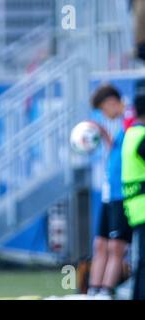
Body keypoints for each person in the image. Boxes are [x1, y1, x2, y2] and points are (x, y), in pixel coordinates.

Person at [87, 85, 133, 299]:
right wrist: (104, 133)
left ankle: (106, 291)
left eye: (103, 109)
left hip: (123, 193)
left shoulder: (131, 118)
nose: (104, 115)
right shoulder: (122, 127)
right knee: (100, 244)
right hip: (108, 193)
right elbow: (117, 151)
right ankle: (93, 289)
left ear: (111, 102)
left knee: (116, 246)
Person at [122, 89, 145, 300]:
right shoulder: (142, 137)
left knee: (142, 262)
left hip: (135, 207)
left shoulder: (131, 134)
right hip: (143, 206)